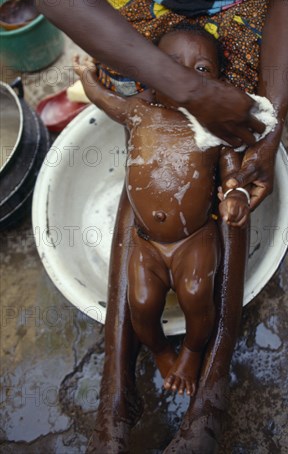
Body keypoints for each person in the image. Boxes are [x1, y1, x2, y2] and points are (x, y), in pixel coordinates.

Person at [34, 0, 288, 451]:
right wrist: (191, 93)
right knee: (149, 146)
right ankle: (116, 381)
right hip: (144, 5)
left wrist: (265, 129)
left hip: (249, 8)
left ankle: (213, 376)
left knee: (229, 170)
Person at [74, 24, 256, 398]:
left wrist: (235, 194)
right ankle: (159, 350)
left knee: (196, 294)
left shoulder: (212, 126)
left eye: (202, 69)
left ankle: (190, 351)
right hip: (146, 243)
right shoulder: (137, 110)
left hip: (195, 238)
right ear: (148, 72)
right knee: (140, 304)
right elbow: (102, 98)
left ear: (219, 83)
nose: (187, 74)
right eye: (172, 65)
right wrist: (85, 76)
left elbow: (231, 166)